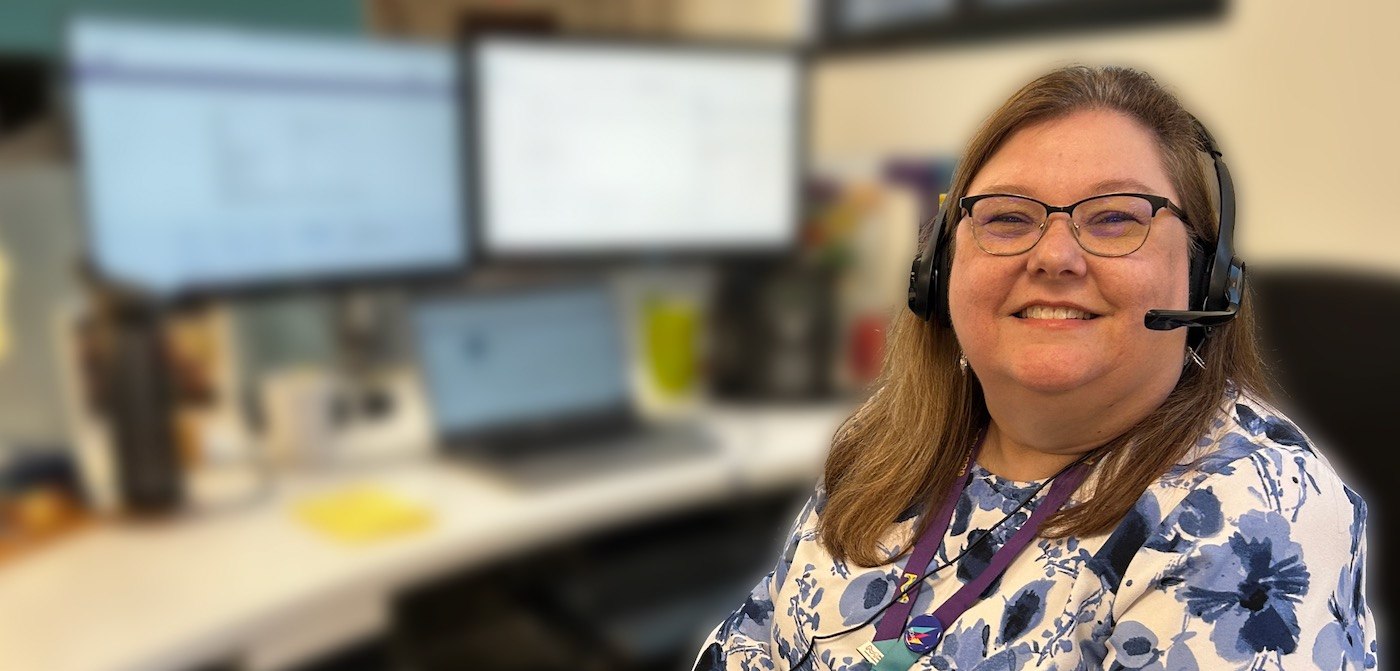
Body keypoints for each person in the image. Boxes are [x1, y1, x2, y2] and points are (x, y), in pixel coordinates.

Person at [693, 65, 1376, 671]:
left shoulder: (1250, 511)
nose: (1053, 256)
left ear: (1204, 280)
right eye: (1008, 217)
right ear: (939, 272)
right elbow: (748, 645)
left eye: (1113, 218)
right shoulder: (885, 444)